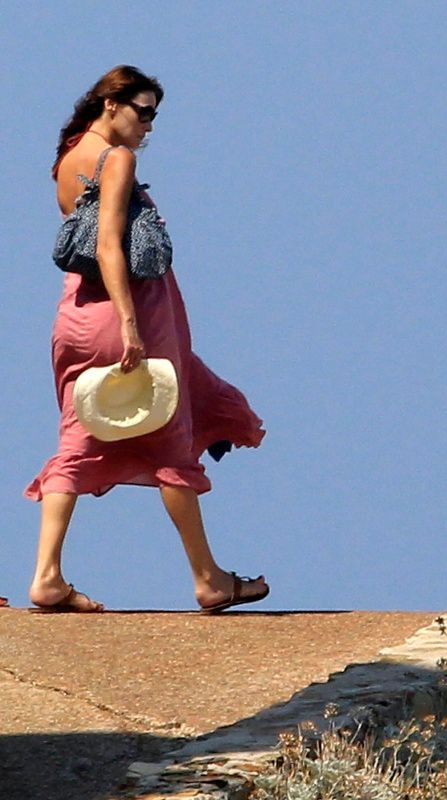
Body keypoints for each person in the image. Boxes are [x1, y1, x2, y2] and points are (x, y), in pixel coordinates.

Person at [24, 65, 269, 613]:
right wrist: (131, 323)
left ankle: (46, 575)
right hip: (128, 315)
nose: (149, 126)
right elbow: (109, 245)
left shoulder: (67, 160)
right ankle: (208, 577)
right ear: (110, 105)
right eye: (143, 111)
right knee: (168, 443)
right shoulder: (117, 159)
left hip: (76, 319)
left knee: (76, 440)